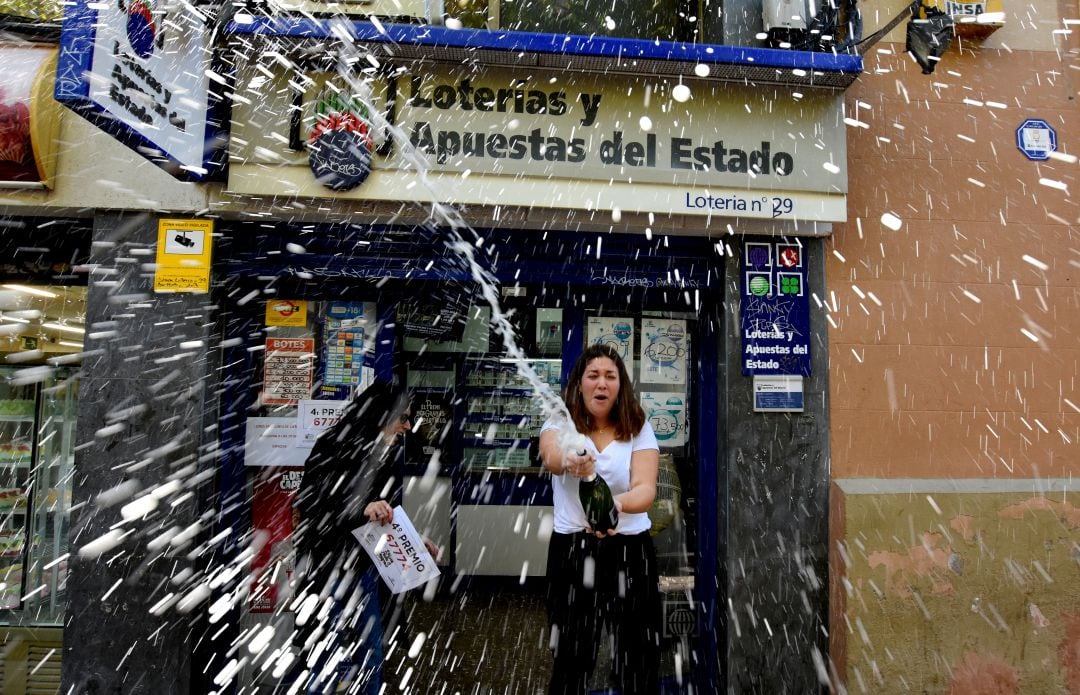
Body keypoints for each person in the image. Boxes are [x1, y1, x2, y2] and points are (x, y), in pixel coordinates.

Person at [538, 343, 662, 695]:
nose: (601, 383)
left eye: (610, 376)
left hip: (630, 553)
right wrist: (571, 461)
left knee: (638, 655)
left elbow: (645, 489)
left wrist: (614, 506)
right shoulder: (561, 422)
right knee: (572, 656)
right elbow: (551, 456)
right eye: (593, 376)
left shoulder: (638, 427)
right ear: (580, 384)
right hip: (574, 552)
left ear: (620, 385)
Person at [288, 380, 423, 694]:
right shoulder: (335, 444)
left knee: (371, 654)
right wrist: (362, 507)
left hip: (365, 570)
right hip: (331, 568)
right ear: (382, 414)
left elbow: (388, 513)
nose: (407, 425)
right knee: (325, 652)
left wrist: (416, 541)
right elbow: (314, 504)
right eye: (402, 417)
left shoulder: (385, 454)